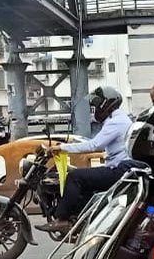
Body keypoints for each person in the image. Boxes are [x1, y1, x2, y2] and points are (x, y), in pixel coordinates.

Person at [35, 86, 140, 233]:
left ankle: (62, 219)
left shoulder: (117, 121)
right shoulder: (115, 119)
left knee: (74, 177)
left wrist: (63, 148)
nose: (95, 109)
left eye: (96, 106)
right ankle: (81, 217)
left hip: (118, 170)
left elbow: (95, 145)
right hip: (116, 167)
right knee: (80, 179)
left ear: (106, 104)